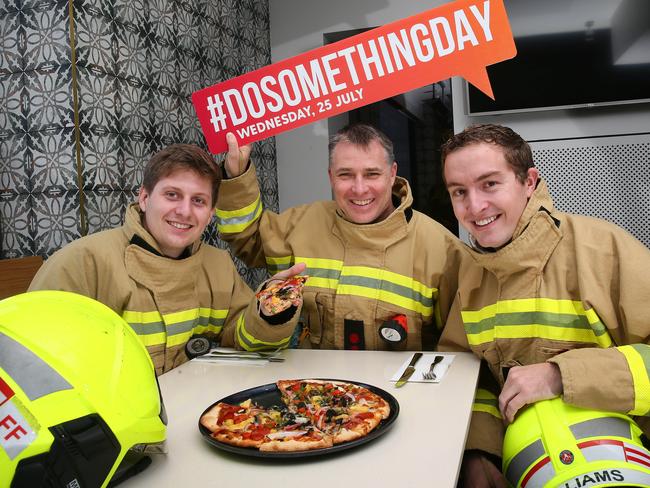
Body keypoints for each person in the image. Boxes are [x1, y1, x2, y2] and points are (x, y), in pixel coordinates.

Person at [436, 123, 650, 487]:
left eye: (490, 184)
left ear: (529, 181)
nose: (475, 206)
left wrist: (559, 375)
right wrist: (479, 453)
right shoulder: (472, 277)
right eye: (459, 192)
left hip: (625, 461)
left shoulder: (606, 250)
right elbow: (472, 378)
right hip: (524, 465)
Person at [29, 144, 304, 375]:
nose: (184, 211)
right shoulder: (80, 263)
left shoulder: (219, 265)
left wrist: (269, 309)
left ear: (210, 214)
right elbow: (35, 364)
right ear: (145, 198)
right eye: (172, 195)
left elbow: (244, 339)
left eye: (198, 201)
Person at [214, 123, 467, 350]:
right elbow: (247, 239)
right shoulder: (301, 224)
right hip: (311, 397)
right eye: (345, 175)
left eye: (372, 174)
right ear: (330, 177)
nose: (359, 188)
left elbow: (459, 353)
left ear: (392, 175)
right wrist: (236, 176)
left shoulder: (443, 249)